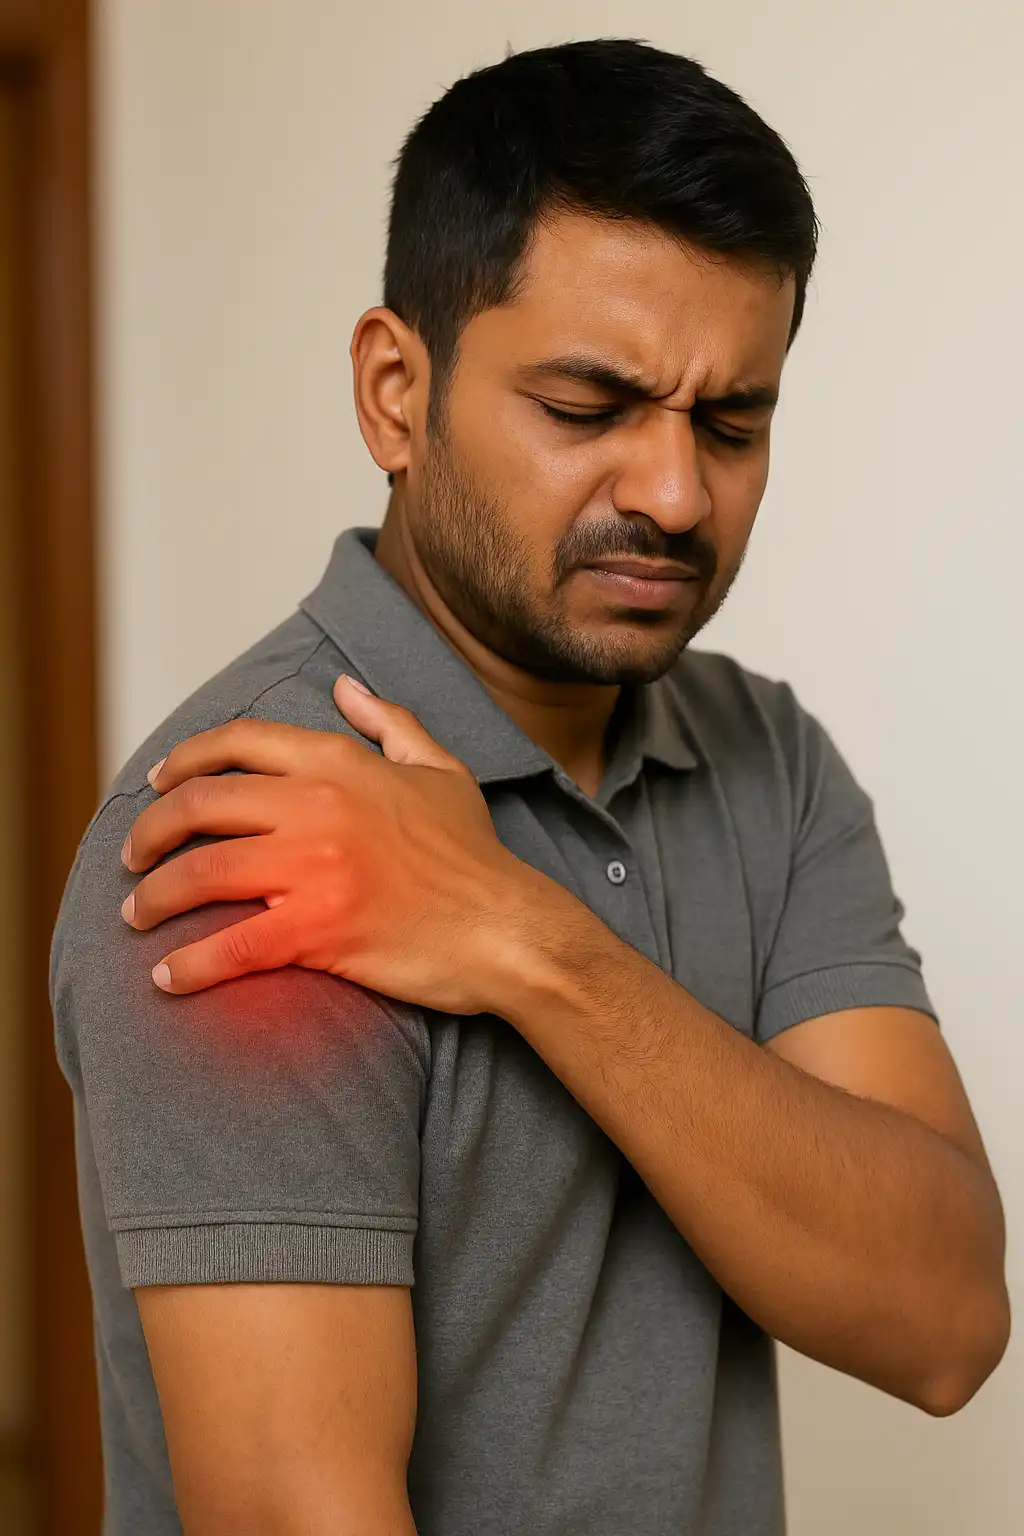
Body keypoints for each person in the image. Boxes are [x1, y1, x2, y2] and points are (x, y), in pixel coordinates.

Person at [52, 38, 1009, 1536]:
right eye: (587, 408)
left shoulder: (766, 757)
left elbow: (946, 1321)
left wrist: (516, 931)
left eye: (732, 422)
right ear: (393, 392)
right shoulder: (235, 833)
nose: (675, 494)